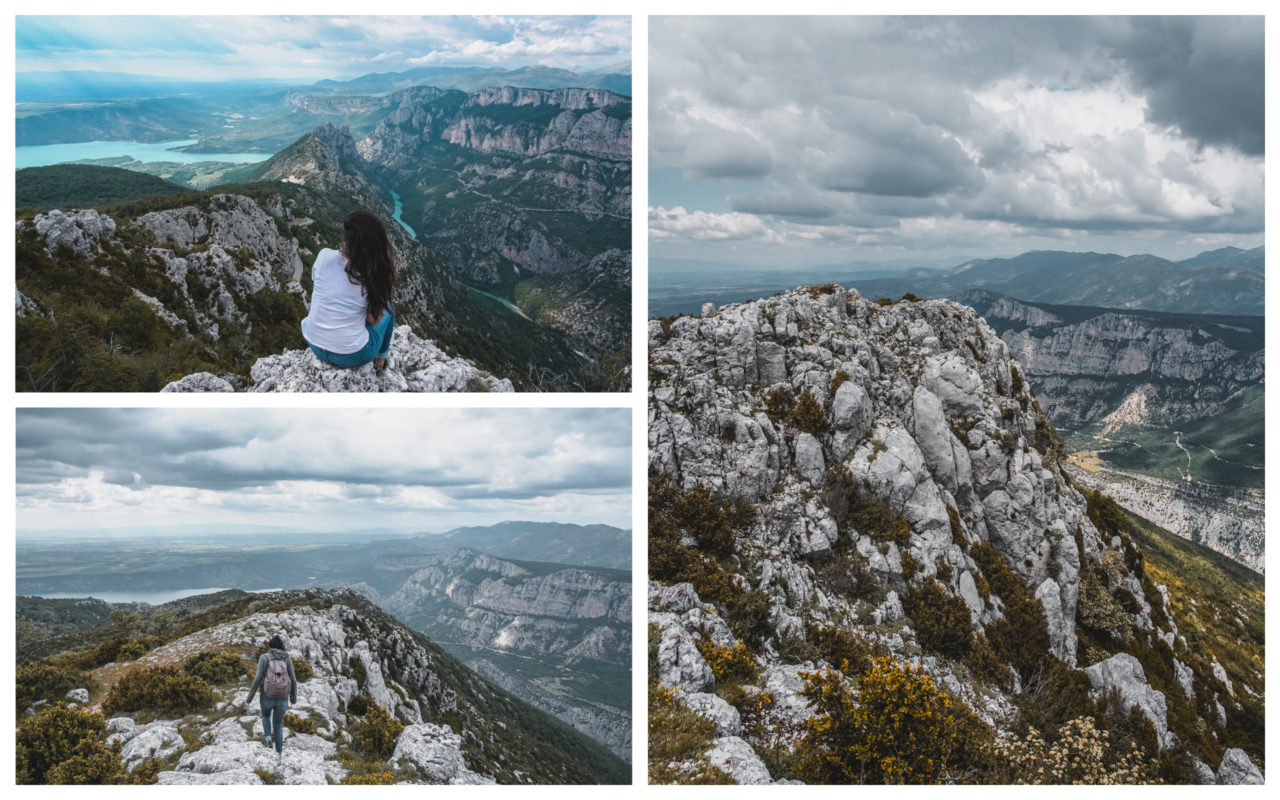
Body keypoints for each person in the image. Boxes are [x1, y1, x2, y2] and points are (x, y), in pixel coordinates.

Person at [300, 210, 397, 371]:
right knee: (390, 310)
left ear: (344, 239)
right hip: (351, 356)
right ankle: (380, 360)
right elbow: (373, 321)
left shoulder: (323, 257)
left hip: (315, 345)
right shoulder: (371, 277)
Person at [245, 635, 298, 757]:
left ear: (270, 646)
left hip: (267, 695)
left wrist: (250, 697)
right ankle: (279, 754)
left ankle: (268, 739)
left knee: (265, 715)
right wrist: (293, 698)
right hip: (283, 696)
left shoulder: (264, 657)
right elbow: (294, 680)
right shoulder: (287, 658)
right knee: (278, 725)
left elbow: (258, 678)